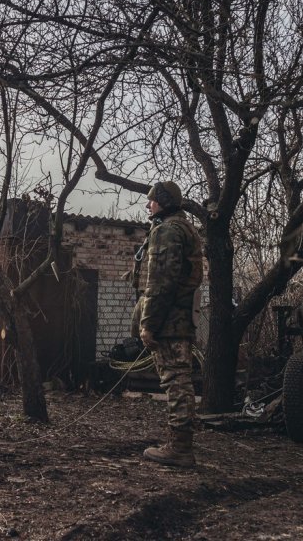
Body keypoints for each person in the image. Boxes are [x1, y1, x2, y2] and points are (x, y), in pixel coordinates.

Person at [132, 181, 203, 467]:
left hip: (170, 321)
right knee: (180, 380)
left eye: (151, 201)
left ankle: (180, 448)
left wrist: (148, 324)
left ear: (161, 202)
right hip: (179, 317)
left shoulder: (168, 230)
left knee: (175, 381)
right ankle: (180, 443)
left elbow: (162, 282)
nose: (148, 206)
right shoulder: (183, 228)